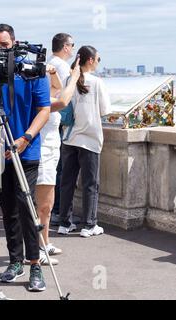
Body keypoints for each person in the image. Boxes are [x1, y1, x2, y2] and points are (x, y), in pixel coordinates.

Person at [0, 24, 50, 292]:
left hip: (26, 150)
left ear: (14, 43)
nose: (0, 50)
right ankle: (15, 261)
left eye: (4, 45)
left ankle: (35, 264)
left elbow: (44, 110)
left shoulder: (32, 72)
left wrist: (25, 138)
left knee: (26, 207)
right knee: (8, 209)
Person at [58, 46, 111, 238]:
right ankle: (89, 224)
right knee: (90, 183)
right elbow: (104, 110)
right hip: (89, 139)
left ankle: (65, 222)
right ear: (90, 60)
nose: (98, 62)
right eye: (98, 58)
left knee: (67, 182)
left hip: (69, 137)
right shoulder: (97, 82)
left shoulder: (68, 79)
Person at [35, 61, 81, 262]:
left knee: (47, 205)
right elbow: (63, 100)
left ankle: (43, 243)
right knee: (42, 206)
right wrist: (74, 78)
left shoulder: (46, 94)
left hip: (51, 153)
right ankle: (36, 249)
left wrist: (52, 71)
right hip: (42, 154)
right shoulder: (39, 100)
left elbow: (57, 88)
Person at [48, 33, 76, 226]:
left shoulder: (50, 63)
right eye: (72, 45)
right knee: (58, 170)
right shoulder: (62, 66)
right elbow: (68, 95)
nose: (73, 49)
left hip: (49, 118)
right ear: (65, 47)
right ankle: (57, 210)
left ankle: (53, 210)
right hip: (57, 120)